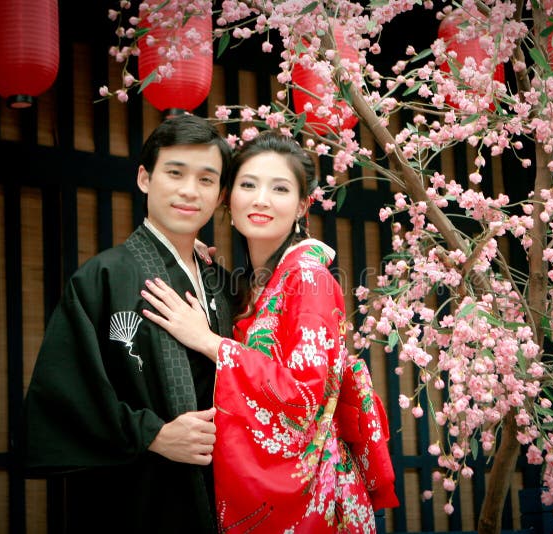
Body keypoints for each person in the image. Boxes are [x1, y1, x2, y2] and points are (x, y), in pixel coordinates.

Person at [141, 130, 398, 532]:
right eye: (248, 185)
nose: (261, 199)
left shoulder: (308, 278)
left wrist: (211, 343)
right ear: (229, 198)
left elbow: (303, 396)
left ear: (302, 205)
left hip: (316, 497)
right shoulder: (259, 282)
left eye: (279, 188)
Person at [21, 114, 234, 534]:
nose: (190, 191)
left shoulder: (223, 283)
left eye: (207, 180)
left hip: (222, 494)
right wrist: (152, 434)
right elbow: (65, 394)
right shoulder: (103, 276)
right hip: (133, 496)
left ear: (220, 194)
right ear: (144, 178)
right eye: (175, 173)